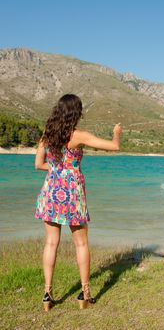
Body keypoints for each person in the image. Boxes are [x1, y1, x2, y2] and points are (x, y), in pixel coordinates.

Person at [34, 94, 121, 311]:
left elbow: (38, 164)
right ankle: (84, 293)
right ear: (76, 112)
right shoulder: (78, 135)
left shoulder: (47, 134)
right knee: (81, 243)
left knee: (51, 243)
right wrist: (116, 134)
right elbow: (113, 147)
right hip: (72, 193)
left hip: (51, 191)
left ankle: (47, 294)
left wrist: (57, 170)